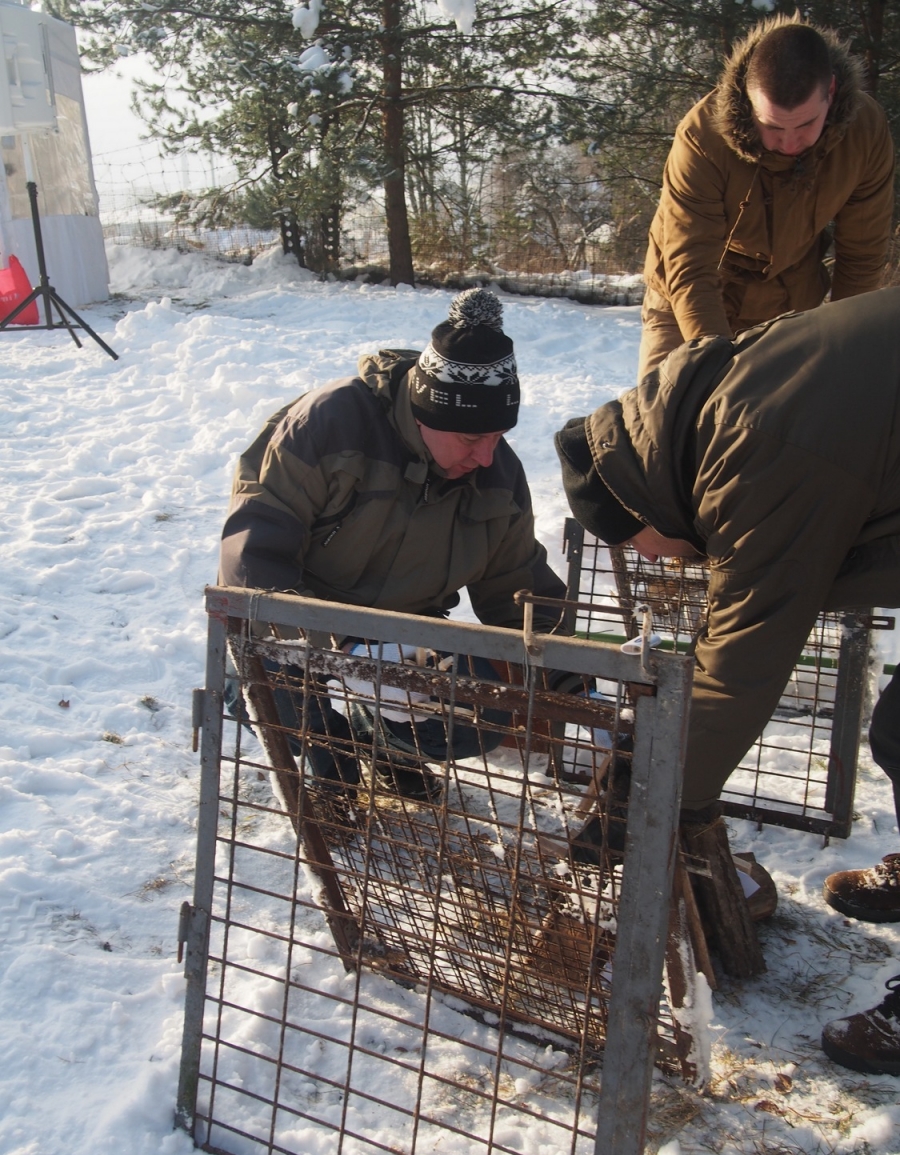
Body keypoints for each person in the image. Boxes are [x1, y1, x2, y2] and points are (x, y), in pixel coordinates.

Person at [554, 286, 900, 1073]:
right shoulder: (726, 397)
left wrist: (643, 796)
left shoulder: (753, 445)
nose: (646, 556)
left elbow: (742, 662)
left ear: (641, 496)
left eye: (633, 540)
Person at [220, 288, 569, 804]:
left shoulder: (497, 472)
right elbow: (253, 565)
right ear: (424, 414)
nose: (486, 455)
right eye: (472, 440)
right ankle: (330, 756)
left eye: (497, 435)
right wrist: (347, 655)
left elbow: (519, 590)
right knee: (284, 708)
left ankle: (387, 747)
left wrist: (576, 679)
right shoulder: (328, 426)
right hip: (305, 633)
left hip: (410, 643)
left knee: (481, 717)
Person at [638, 16, 894, 381]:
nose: (789, 144)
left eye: (806, 125)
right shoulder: (701, 136)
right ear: (747, 96)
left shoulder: (864, 133)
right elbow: (692, 266)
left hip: (791, 302)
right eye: (772, 127)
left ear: (831, 92)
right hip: (690, 299)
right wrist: (713, 370)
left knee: (782, 428)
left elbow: (862, 256)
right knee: (670, 420)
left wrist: (845, 347)